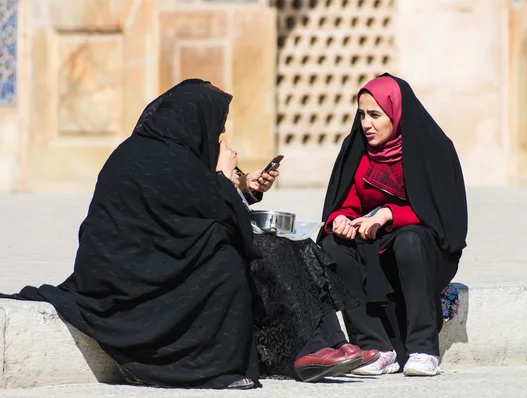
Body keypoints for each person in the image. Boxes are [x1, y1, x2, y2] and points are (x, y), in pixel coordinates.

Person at [0, 79, 375, 389]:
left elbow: (199, 206)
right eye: (216, 127)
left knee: (252, 249)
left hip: (137, 269)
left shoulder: (154, 153)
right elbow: (228, 219)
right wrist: (225, 177)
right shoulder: (168, 162)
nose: (218, 135)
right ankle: (302, 348)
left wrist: (240, 184)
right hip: (133, 287)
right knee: (244, 254)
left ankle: (320, 344)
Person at [318, 73, 468, 377]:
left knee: (408, 240)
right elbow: (342, 204)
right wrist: (342, 220)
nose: (366, 124)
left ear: (396, 114)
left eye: (375, 115)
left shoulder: (432, 148)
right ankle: (376, 348)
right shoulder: (357, 148)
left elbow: (442, 215)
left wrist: (388, 214)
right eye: (361, 114)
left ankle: (423, 349)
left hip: (426, 249)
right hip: (377, 245)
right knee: (332, 245)